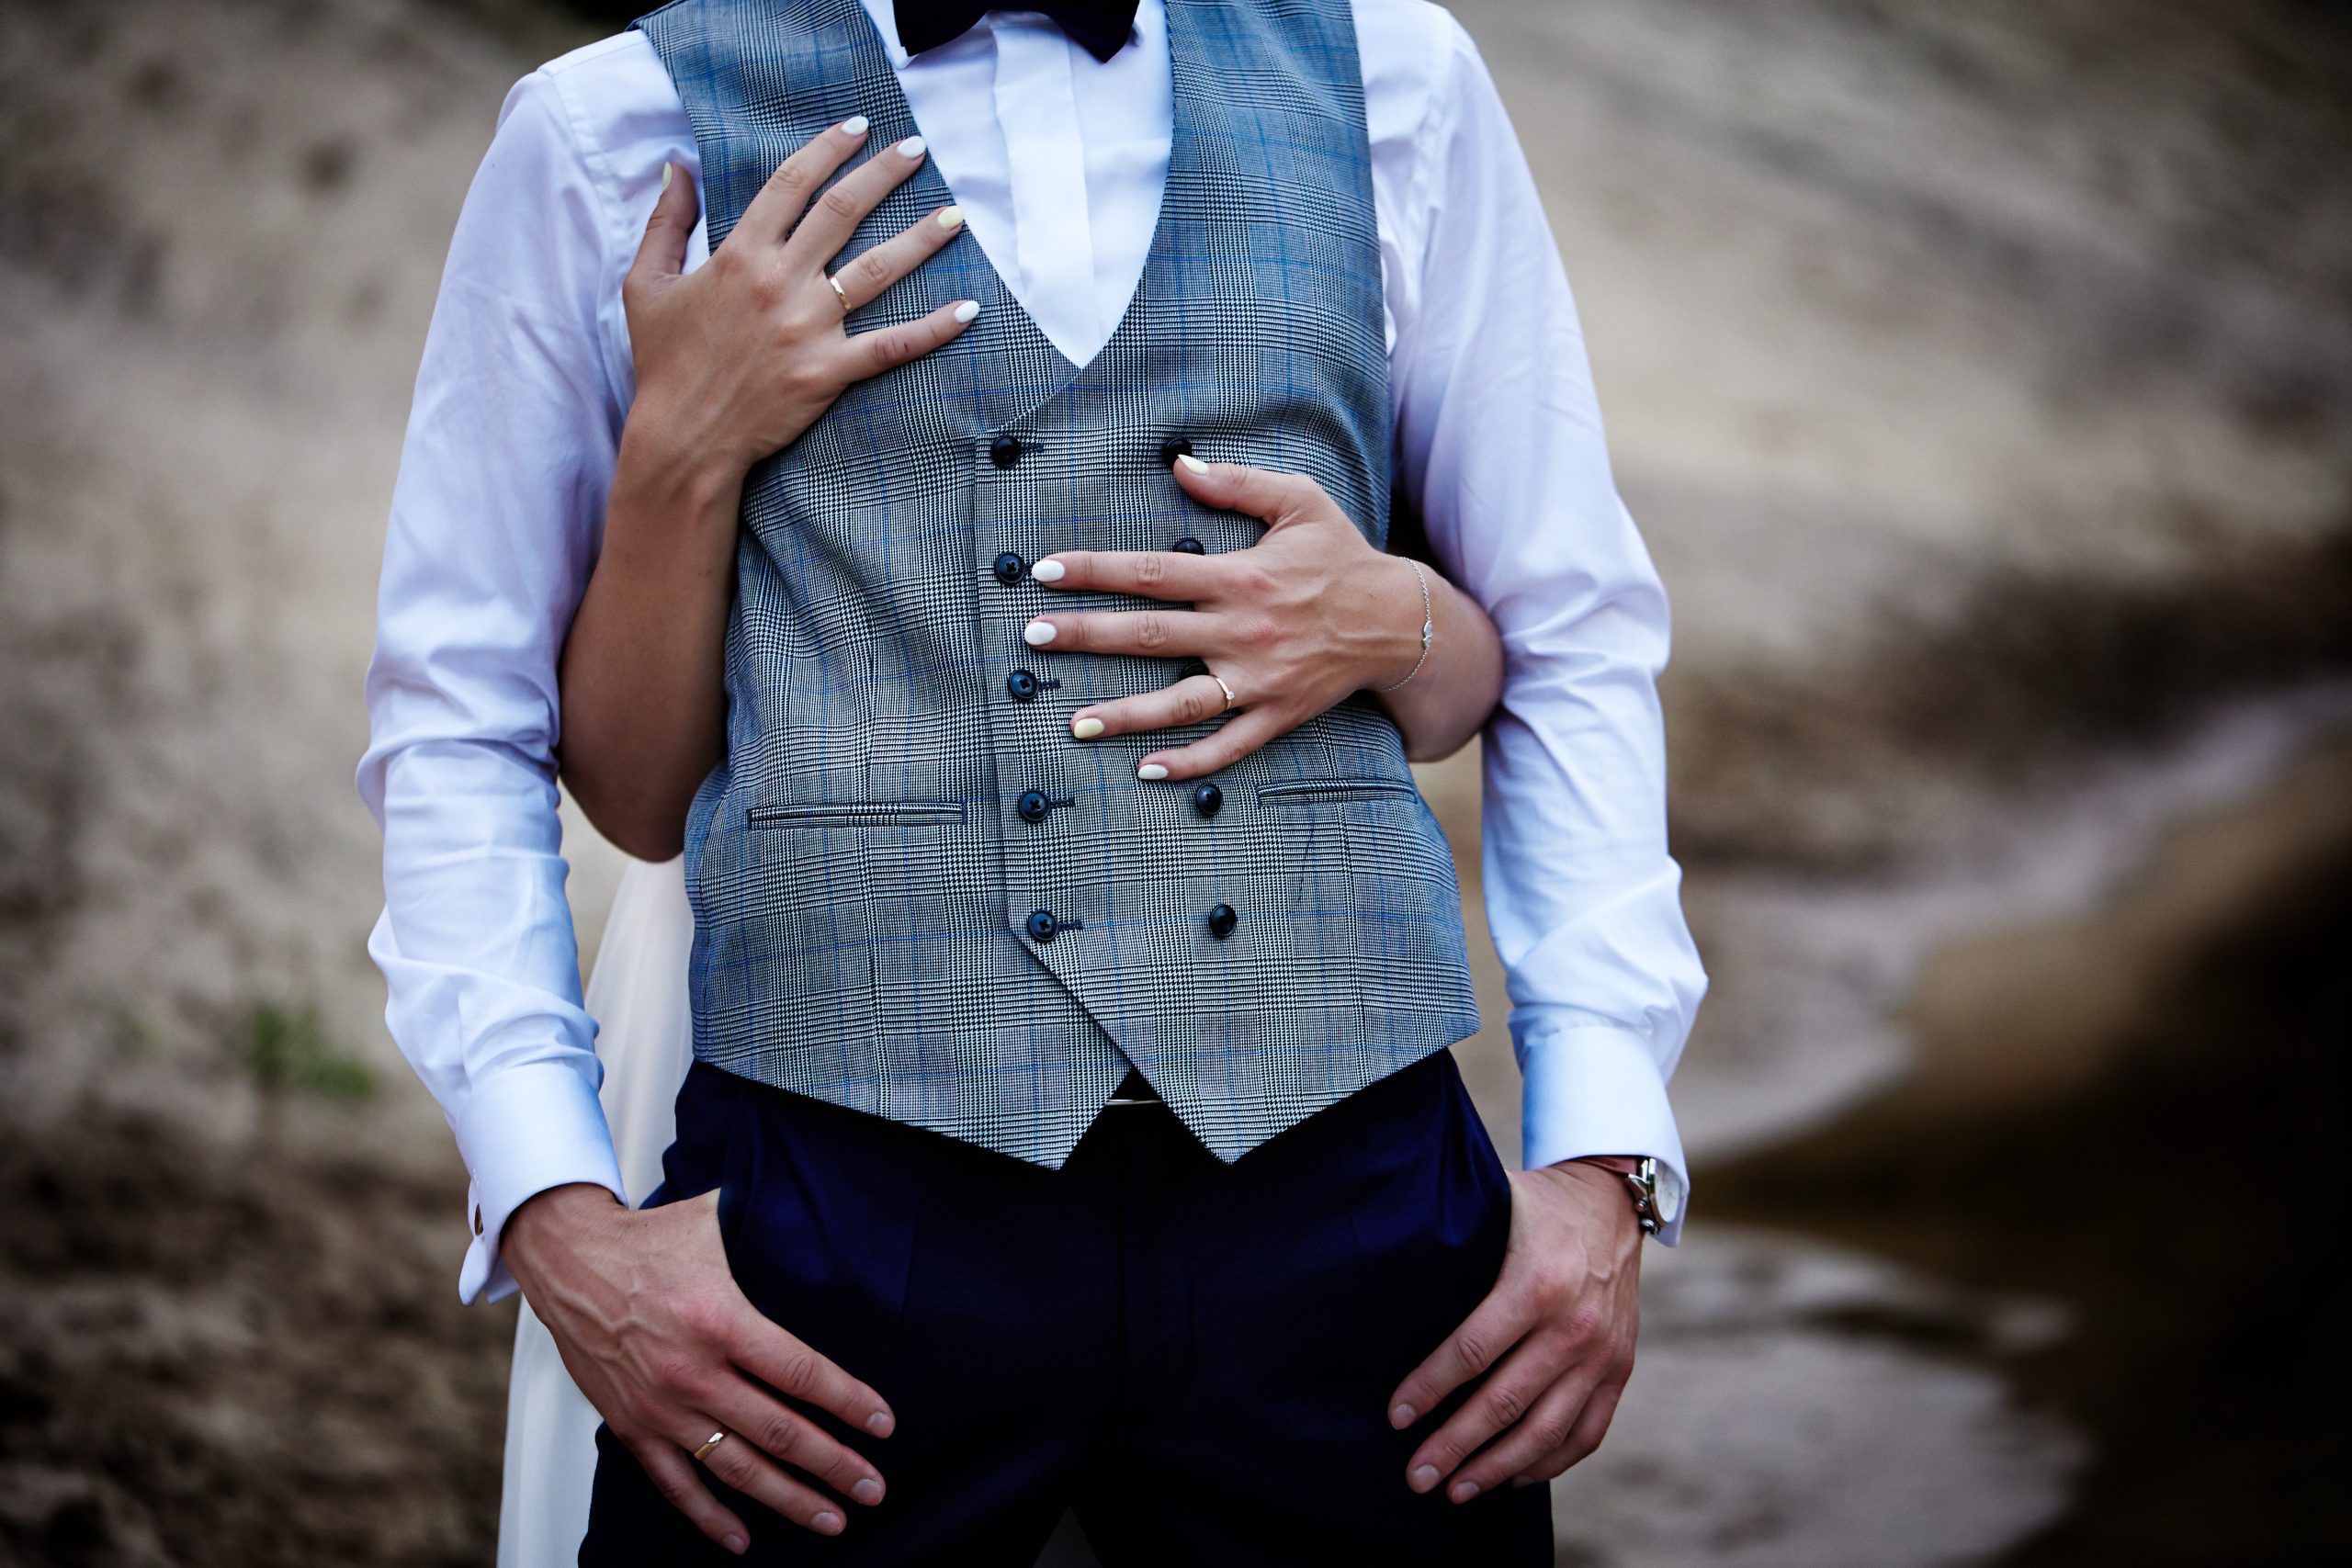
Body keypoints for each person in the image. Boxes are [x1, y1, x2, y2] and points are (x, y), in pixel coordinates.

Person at [358, 1, 1705, 1562]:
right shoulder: (613, 127)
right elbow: (460, 711)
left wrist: (1605, 1151)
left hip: (1352, 1190)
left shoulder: (1399, 78)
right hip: (841, 1217)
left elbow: (1571, 629)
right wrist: (555, 1212)